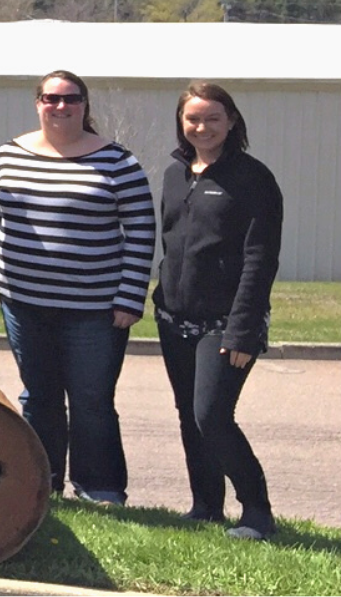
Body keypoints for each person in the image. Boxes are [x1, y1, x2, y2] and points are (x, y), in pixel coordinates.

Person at [0, 70, 155, 505]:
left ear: (84, 106)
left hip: (94, 308)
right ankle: (40, 482)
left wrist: (130, 298)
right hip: (23, 302)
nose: (61, 106)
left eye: (71, 99)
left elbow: (142, 233)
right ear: (38, 103)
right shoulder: (8, 155)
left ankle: (100, 489)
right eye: (51, 98)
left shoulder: (117, 162)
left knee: (92, 401)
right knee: (39, 397)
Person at [152, 82, 282, 541]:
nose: (201, 127)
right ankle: (206, 506)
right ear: (181, 123)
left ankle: (257, 512)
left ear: (231, 121)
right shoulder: (175, 172)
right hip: (174, 318)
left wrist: (243, 332)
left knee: (213, 416)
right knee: (189, 414)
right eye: (192, 119)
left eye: (212, 118)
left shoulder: (253, 179)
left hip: (226, 324)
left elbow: (260, 259)